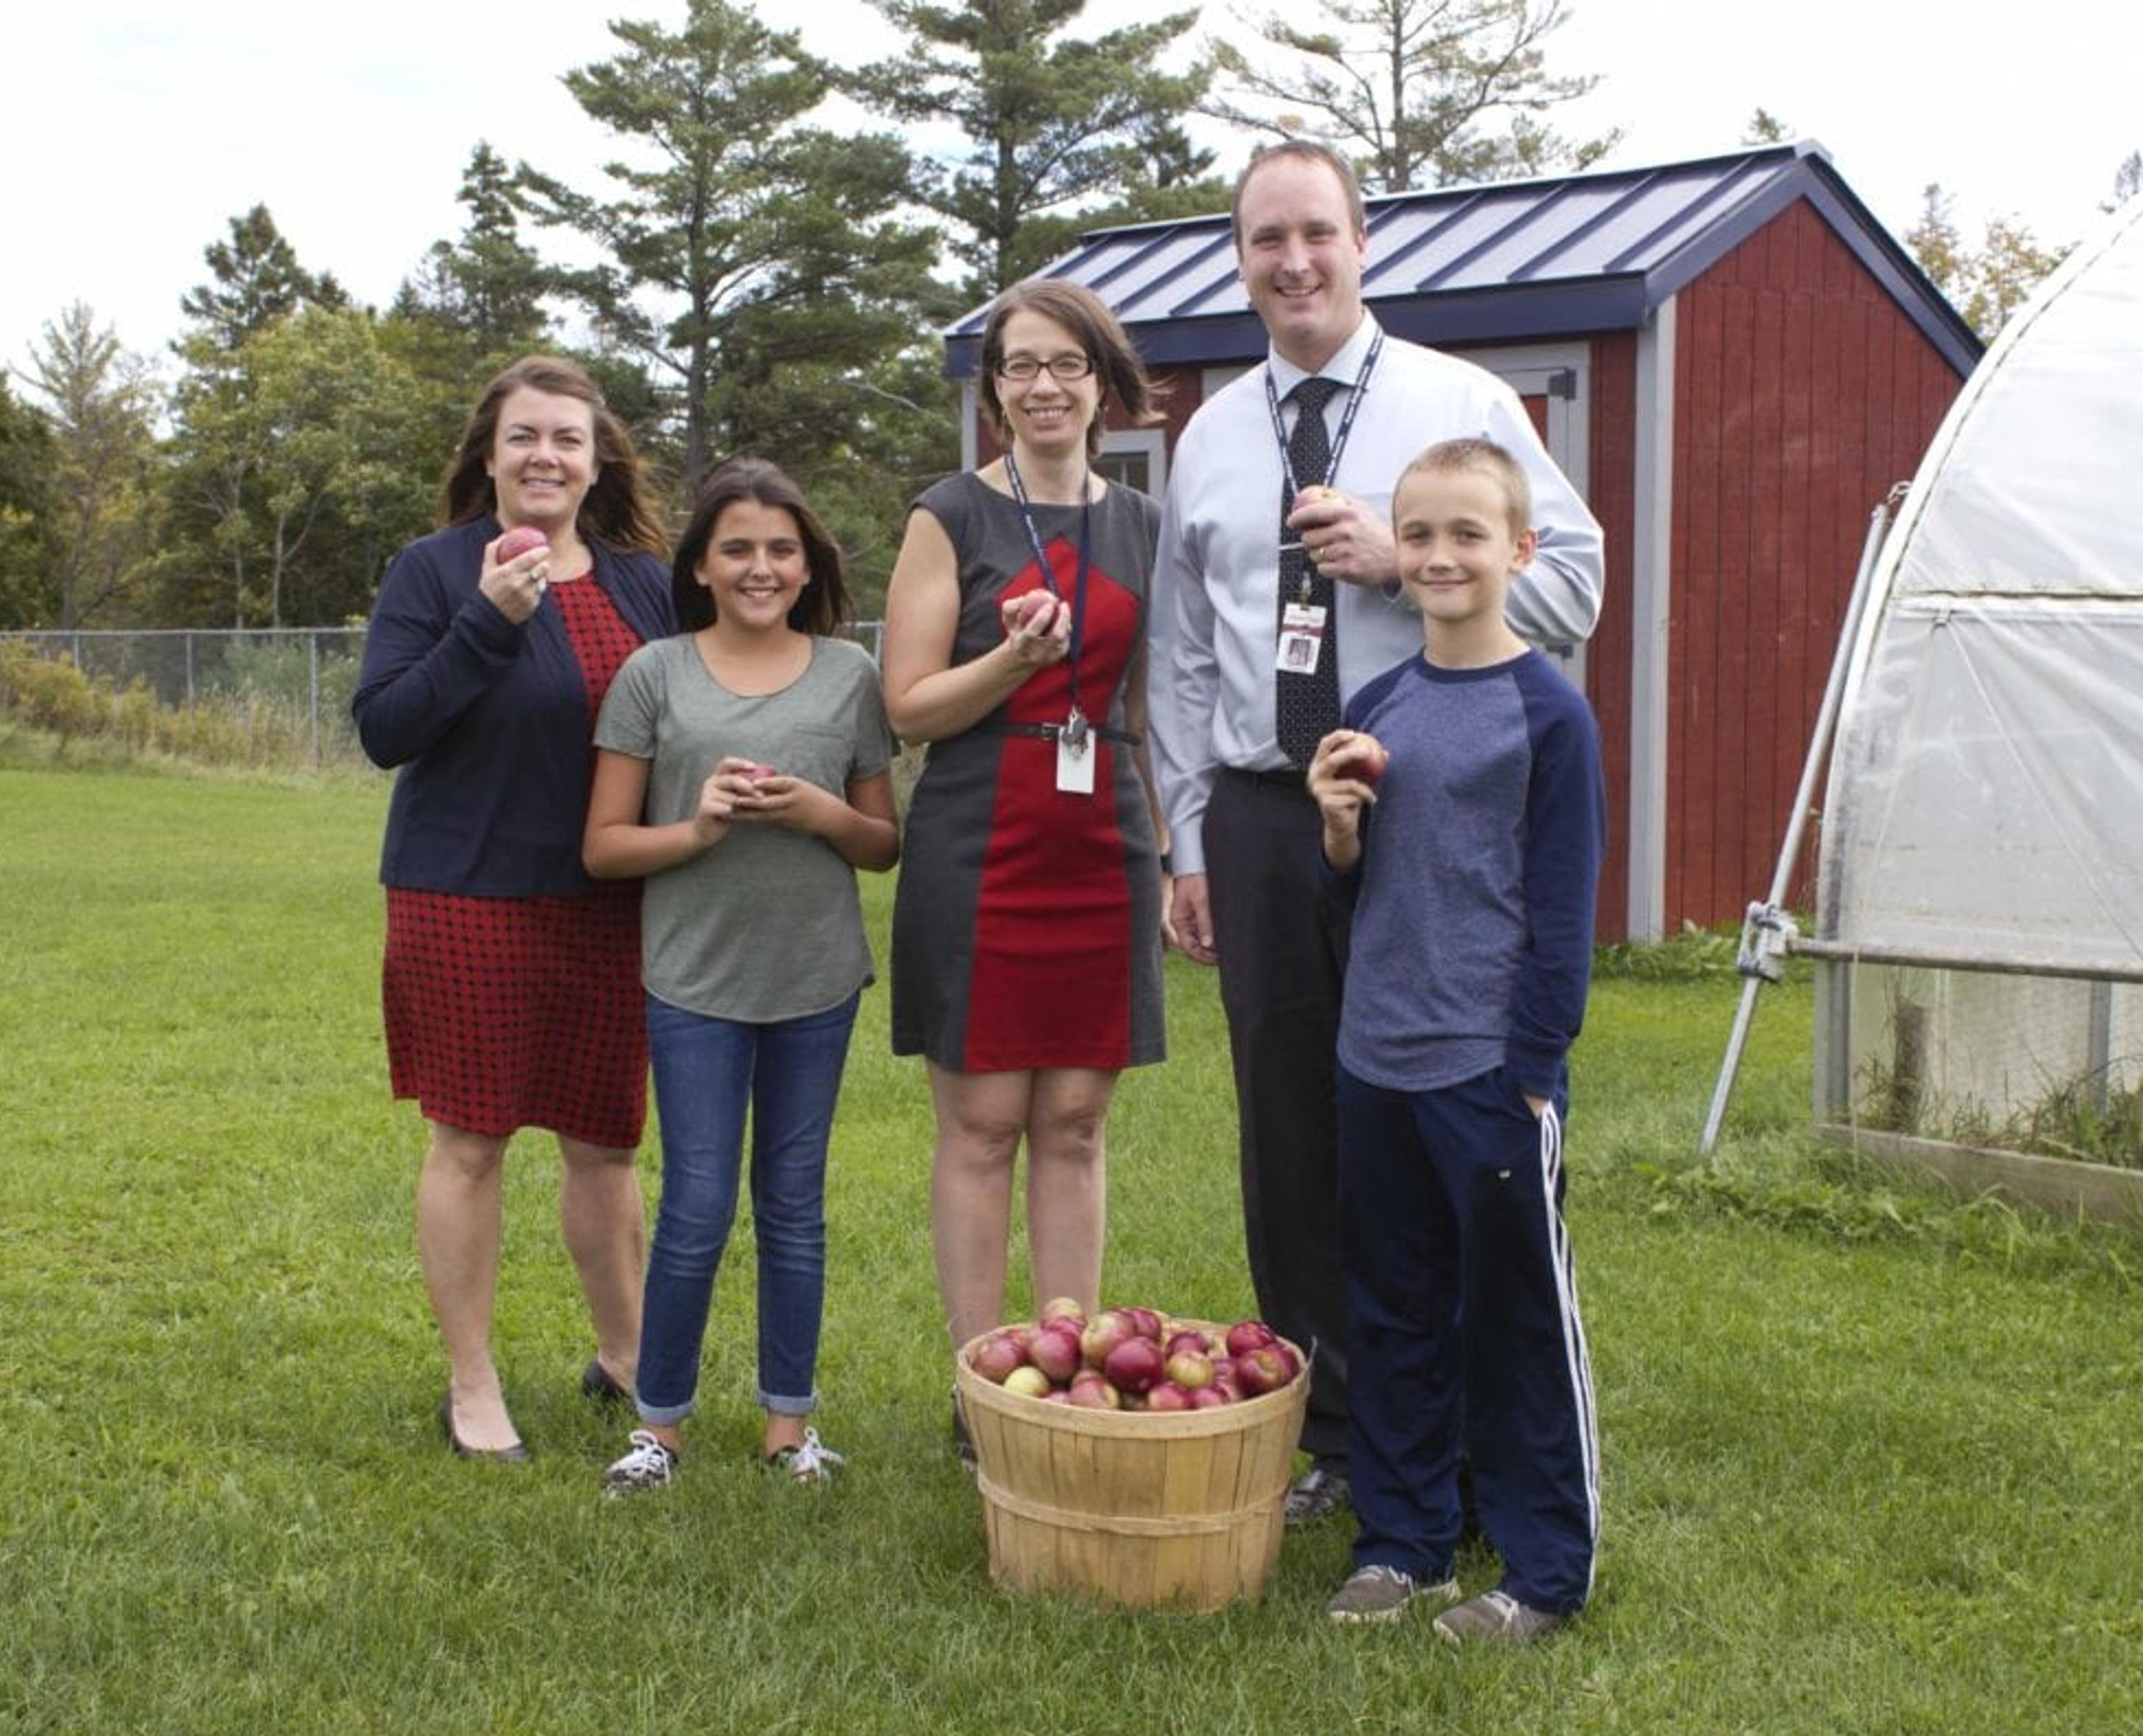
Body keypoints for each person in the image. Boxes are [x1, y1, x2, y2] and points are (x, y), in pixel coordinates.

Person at [1147, 140, 1605, 1522]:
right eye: (1267, 239)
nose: (1294, 262)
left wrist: (1401, 569)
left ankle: (1467, 1437)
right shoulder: (1211, 435)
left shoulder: (1456, 401)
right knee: (1292, 1139)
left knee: (1443, 1124)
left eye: (1319, 235)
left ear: (1363, 243)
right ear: (1241, 256)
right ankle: (1338, 1437)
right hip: (1261, 815)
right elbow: (1179, 655)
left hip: (1426, 810)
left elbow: (1573, 582)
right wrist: (1185, 837)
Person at [1307, 436, 1604, 1644]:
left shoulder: (1548, 716)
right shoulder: (1377, 708)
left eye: (1468, 535)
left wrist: (1532, 1074)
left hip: (1488, 1074)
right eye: (1418, 534)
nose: (1439, 556)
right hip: (1375, 1064)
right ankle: (1404, 1543)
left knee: (1517, 1323)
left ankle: (1543, 1572)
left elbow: (1564, 912)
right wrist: (1334, 831)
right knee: (1393, 1311)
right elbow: (1354, 896)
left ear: (1518, 551)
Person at [353, 356, 672, 1463]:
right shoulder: (435, 572)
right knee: (471, 1141)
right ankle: (473, 1384)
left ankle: (631, 1359)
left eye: (568, 439)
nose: (547, 456)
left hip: (609, 904)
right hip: (466, 896)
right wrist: (486, 622)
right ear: (488, 454)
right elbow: (387, 727)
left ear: (597, 461)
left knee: (605, 1143)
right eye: (525, 436)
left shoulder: (642, 583)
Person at [879, 279, 1169, 1455]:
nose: (1042, 387)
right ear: (992, 389)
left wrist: (1169, 840)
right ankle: (980, 1384)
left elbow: (1150, 703)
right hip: (976, 834)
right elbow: (907, 708)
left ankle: (1066, 1365)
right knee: (986, 1119)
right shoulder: (950, 515)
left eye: (1065, 365)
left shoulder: (1143, 523)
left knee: (1078, 1118)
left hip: (1103, 832)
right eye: (1017, 367)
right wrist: (1007, 664)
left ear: (1103, 383)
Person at [583, 457, 900, 1494]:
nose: (761, 567)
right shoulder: (655, 674)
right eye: (738, 550)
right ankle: (659, 1429)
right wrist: (701, 825)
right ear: (703, 568)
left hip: (813, 981)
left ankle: (788, 1425)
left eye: (780, 550)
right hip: (693, 983)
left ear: (808, 567)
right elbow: (604, 848)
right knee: (697, 1205)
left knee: (793, 1206)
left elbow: (880, 845)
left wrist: (814, 811)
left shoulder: (849, 675)